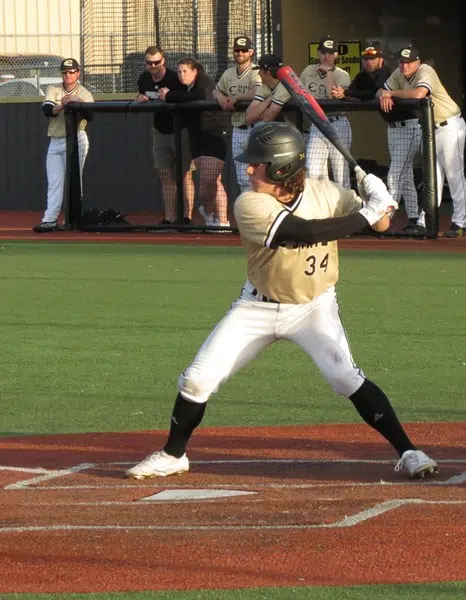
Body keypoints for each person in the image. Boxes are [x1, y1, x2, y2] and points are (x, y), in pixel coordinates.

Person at [126, 121, 439, 482]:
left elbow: (380, 224)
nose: (247, 169)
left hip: (313, 307)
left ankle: (409, 451)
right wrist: (366, 214)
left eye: (256, 163)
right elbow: (300, 233)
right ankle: (173, 454)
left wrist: (380, 201)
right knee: (197, 380)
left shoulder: (327, 193)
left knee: (344, 377)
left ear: (280, 167)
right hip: (256, 307)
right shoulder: (249, 203)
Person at [377, 45, 466, 238]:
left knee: (454, 175)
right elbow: (381, 90)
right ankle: (423, 222)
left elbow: (419, 94)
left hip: (450, 125)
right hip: (430, 129)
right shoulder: (398, 73)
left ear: (417, 62)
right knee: (432, 178)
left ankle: (460, 222)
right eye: (402, 62)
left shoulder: (426, 70)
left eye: (409, 62)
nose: (404, 66)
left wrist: (391, 94)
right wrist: (383, 93)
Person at [333, 42, 424, 234]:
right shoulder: (362, 76)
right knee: (405, 177)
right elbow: (356, 92)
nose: (368, 62)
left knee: (394, 176)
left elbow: (375, 91)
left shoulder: (386, 73)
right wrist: (343, 93)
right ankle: (415, 220)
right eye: (365, 59)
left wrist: (349, 93)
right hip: (392, 128)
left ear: (380, 59)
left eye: (372, 58)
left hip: (409, 125)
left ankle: (382, 221)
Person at [160, 57, 230, 228]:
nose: (181, 75)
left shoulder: (203, 83)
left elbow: (200, 95)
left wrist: (169, 95)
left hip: (215, 136)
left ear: (195, 71)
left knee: (210, 181)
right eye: (179, 72)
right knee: (208, 186)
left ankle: (220, 221)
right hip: (196, 138)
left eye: (185, 71)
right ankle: (213, 217)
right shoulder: (185, 88)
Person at [136, 45, 195, 225]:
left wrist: (170, 95)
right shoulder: (144, 79)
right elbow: (142, 95)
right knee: (164, 174)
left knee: (185, 175)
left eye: (156, 62)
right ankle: (170, 218)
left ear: (163, 61)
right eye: (149, 63)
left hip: (181, 131)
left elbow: (189, 95)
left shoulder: (174, 77)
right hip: (160, 132)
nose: (153, 66)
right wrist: (141, 99)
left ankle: (187, 217)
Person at [34, 58, 94, 233]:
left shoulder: (84, 93)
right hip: (56, 139)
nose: (68, 75)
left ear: (78, 73)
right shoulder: (53, 89)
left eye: (72, 72)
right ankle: (50, 220)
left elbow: (91, 115)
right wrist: (62, 105)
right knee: (54, 182)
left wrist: (77, 102)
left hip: (77, 138)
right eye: (65, 72)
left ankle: (76, 219)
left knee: (76, 180)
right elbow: (47, 110)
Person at [300, 36, 353, 189]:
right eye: (323, 52)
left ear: (336, 55)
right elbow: (300, 94)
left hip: (338, 123)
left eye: (330, 53)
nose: (326, 56)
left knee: (340, 174)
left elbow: (332, 96)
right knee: (312, 170)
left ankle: (346, 211)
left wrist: (329, 73)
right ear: (318, 53)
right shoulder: (308, 71)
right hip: (317, 125)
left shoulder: (342, 74)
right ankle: (321, 210)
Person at [213, 36, 261, 195]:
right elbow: (216, 90)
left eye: (244, 50)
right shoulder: (228, 73)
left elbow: (257, 91)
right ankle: (246, 211)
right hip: (238, 128)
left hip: (256, 128)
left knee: (258, 174)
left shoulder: (256, 71)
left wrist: (236, 98)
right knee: (241, 176)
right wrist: (221, 98)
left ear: (251, 52)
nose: (240, 53)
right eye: (237, 50)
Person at [244, 53, 290, 124]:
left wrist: (259, 113)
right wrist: (269, 100)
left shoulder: (285, 86)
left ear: (268, 73)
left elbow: (267, 118)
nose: (258, 73)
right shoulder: (264, 86)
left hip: (293, 132)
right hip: (275, 130)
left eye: (260, 70)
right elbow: (249, 117)